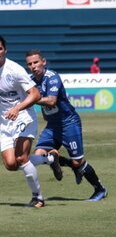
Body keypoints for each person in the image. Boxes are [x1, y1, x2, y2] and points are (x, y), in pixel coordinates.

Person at [26, 49, 108, 202]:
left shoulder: (52, 77)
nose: (33, 66)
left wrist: (31, 99)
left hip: (69, 123)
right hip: (52, 125)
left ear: (43, 62)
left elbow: (51, 101)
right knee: (39, 155)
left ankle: (100, 189)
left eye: (36, 62)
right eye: (30, 64)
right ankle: (57, 162)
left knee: (78, 161)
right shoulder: (30, 81)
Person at [0, 36, 45, 207]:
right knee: (11, 164)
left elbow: (35, 94)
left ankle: (38, 197)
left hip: (23, 116)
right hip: (4, 122)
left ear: (5, 50)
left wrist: (17, 108)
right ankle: (47, 159)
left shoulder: (14, 70)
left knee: (21, 157)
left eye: (0, 48)